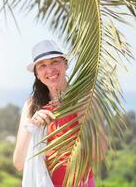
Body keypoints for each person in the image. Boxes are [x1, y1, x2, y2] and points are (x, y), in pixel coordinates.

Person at [13, 40, 99, 187]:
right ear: (37, 74)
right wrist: (32, 126)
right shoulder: (31, 106)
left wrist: (76, 107)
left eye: (54, 61)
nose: (50, 69)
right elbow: (18, 163)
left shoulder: (84, 98)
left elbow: (95, 153)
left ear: (65, 64)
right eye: (42, 66)